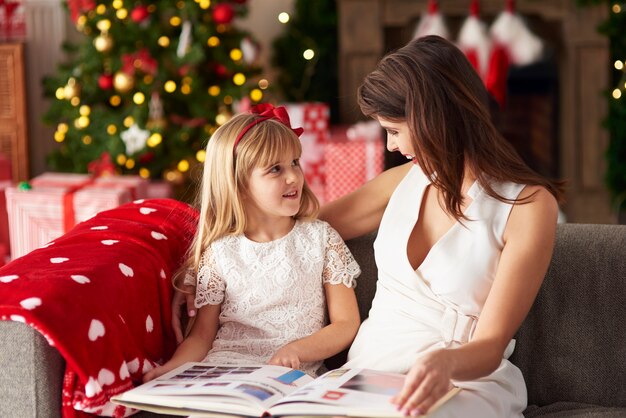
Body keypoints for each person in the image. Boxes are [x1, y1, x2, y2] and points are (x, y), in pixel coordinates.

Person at [174, 35, 563, 417]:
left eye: (394, 130)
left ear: (434, 119)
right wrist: (200, 270)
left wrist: (445, 363)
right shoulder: (403, 182)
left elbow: (491, 344)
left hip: (462, 379)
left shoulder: (528, 207)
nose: (391, 146)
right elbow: (287, 234)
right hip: (363, 375)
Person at [146, 104, 360, 381]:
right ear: (239, 185)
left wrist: (297, 349)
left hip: (293, 375)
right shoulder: (220, 252)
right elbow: (201, 337)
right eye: (275, 169)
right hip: (226, 372)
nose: (294, 176)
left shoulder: (321, 239)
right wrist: (169, 369)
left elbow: (346, 323)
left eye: (295, 162)